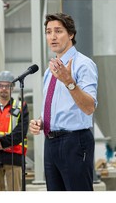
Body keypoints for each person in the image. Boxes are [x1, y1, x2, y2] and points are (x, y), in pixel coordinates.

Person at [29, 13, 98, 191]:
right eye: (48, 31)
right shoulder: (49, 70)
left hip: (74, 142)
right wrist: (40, 121)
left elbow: (89, 107)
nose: (52, 36)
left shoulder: (83, 64)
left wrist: (69, 81)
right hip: (50, 142)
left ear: (71, 34)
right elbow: (56, 106)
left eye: (58, 31)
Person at [0, 70, 29, 191]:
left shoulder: (20, 106)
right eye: (1, 85)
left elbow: (21, 130)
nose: (4, 88)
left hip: (13, 156)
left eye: (7, 86)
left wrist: (3, 143)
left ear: (12, 87)